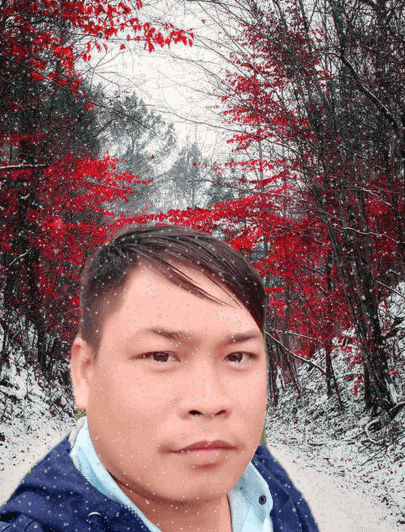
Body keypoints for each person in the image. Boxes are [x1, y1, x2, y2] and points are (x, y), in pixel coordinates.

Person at [0, 225, 318, 532]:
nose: (210, 401)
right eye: (161, 356)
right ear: (85, 373)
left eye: (236, 356)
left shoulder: (271, 485)